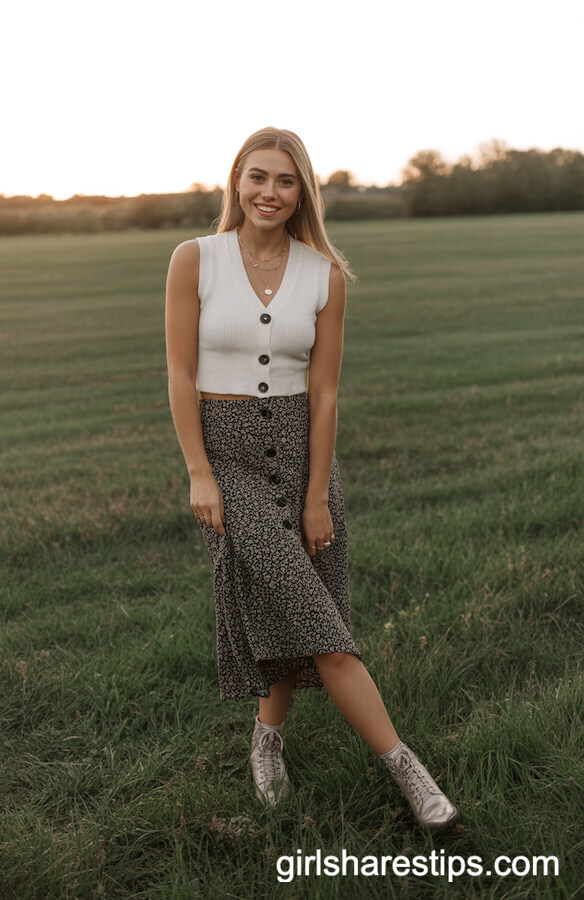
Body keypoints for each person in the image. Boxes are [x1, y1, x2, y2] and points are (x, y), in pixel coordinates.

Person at [164, 127, 459, 832]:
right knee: (322, 629)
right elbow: (179, 374)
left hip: (301, 458)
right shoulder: (193, 260)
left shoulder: (322, 272)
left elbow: (324, 393)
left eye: (285, 181)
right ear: (237, 181)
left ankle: (268, 740)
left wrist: (317, 493)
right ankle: (408, 772)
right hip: (228, 461)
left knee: (294, 612)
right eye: (258, 177)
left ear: (304, 193)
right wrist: (200, 474)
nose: (270, 192)